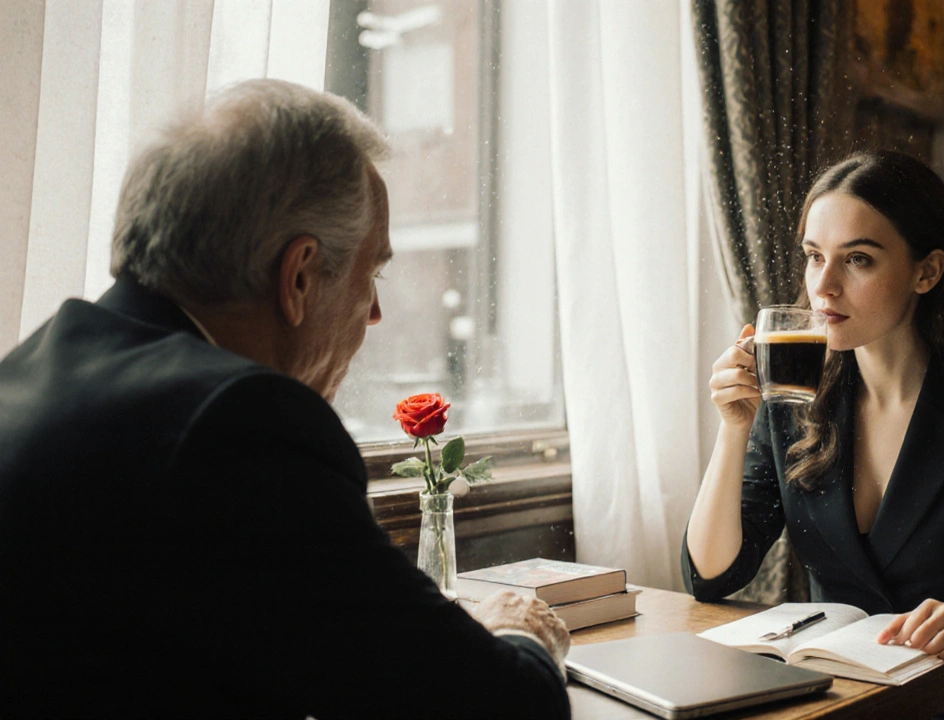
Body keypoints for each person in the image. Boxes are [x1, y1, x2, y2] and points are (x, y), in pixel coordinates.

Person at [0, 80, 570, 718]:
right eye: (371, 274)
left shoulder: (35, 369)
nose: (376, 313)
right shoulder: (239, 426)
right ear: (298, 277)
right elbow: (506, 710)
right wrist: (520, 632)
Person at [685, 151, 944, 718]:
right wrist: (733, 430)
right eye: (813, 256)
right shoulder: (792, 399)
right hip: (835, 702)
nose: (823, 286)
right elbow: (713, 575)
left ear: (927, 272)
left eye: (857, 259)